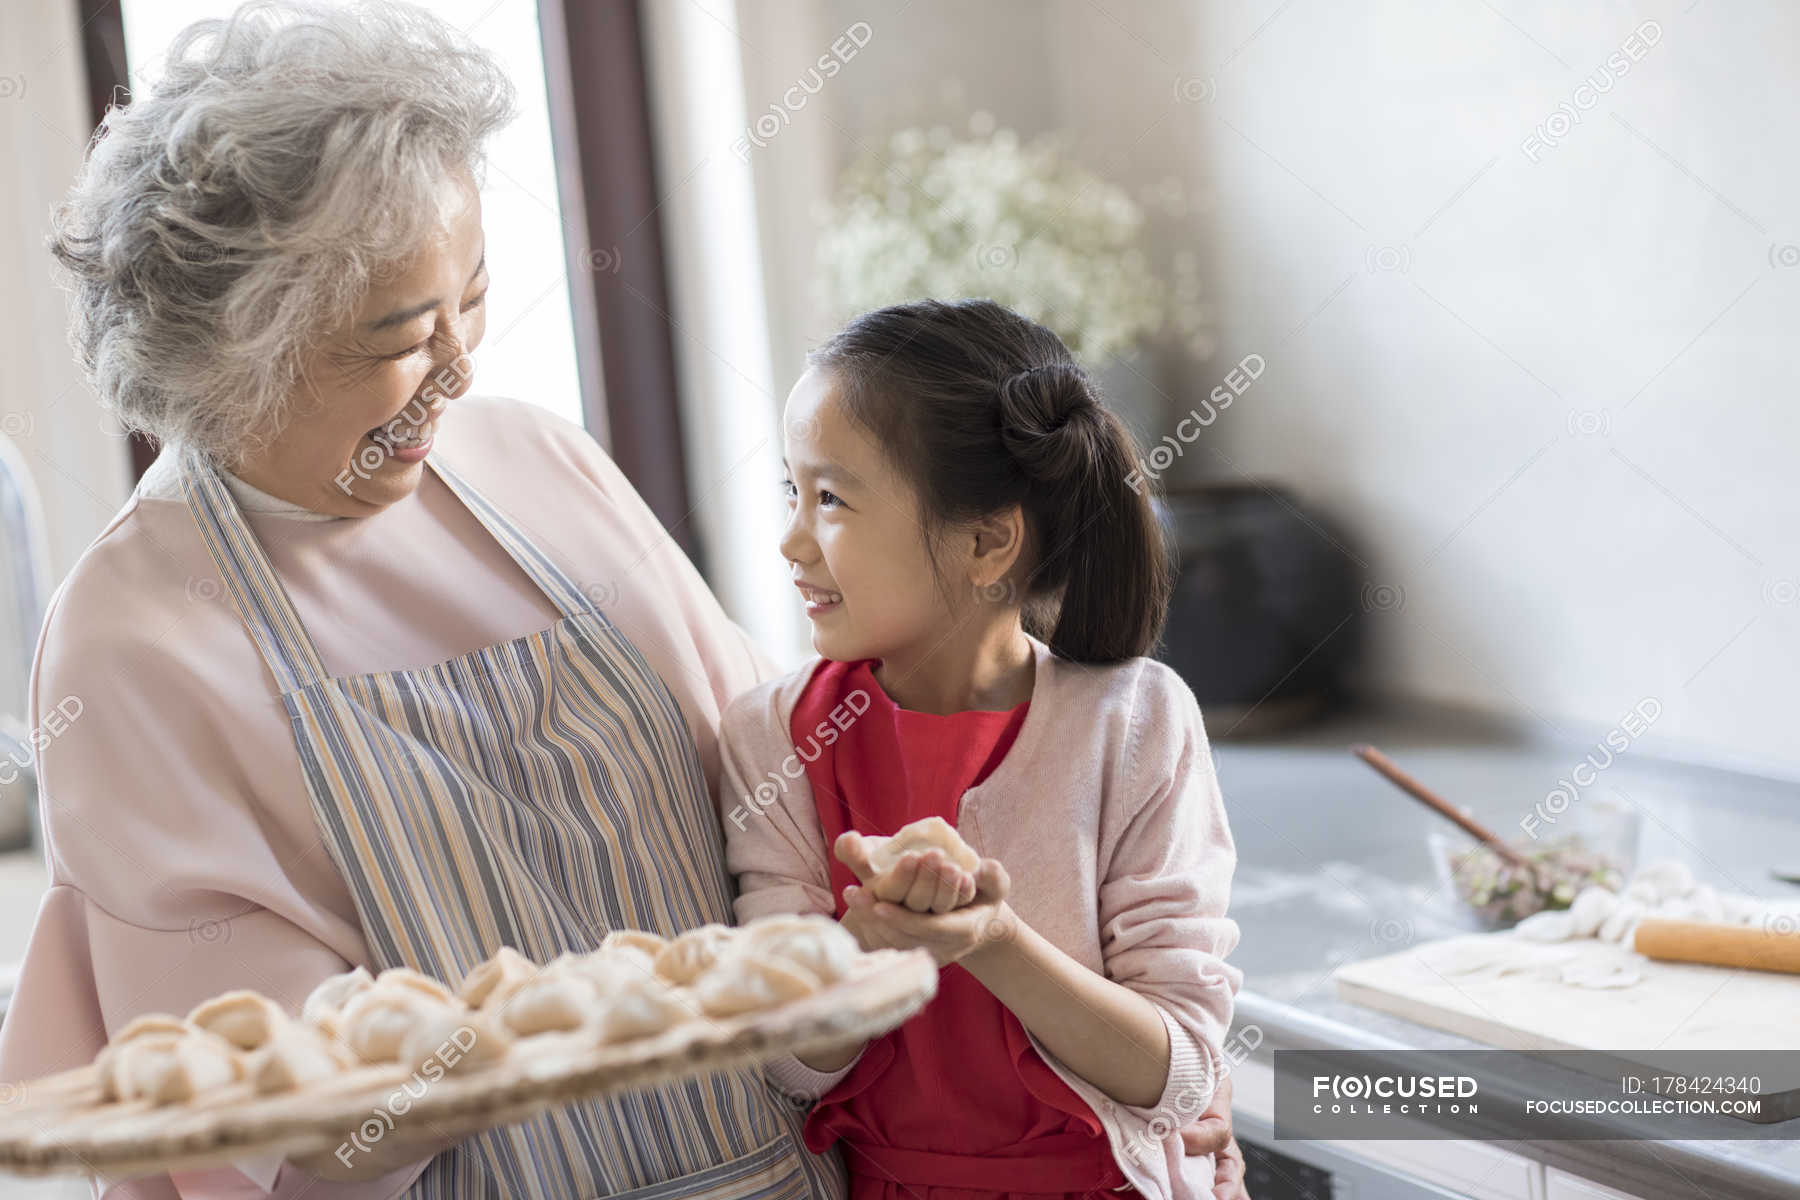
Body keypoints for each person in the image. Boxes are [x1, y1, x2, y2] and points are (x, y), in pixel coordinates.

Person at [0, 1, 1251, 1196]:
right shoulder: (135, 635)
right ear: (242, 350)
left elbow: (780, 792)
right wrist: (508, 1056)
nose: (459, 367)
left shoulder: (533, 466)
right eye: (398, 336)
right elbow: (263, 1115)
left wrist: (1132, 1064)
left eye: (474, 300)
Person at [717, 300, 1243, 1200]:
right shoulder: (772, 736)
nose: (791, 540)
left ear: (988, 540)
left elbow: (1183, 1073)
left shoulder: (1137, 720)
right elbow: (791, 1064)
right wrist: (870, 951)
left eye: (831, 497)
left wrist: (991, 939)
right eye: (790, 492)